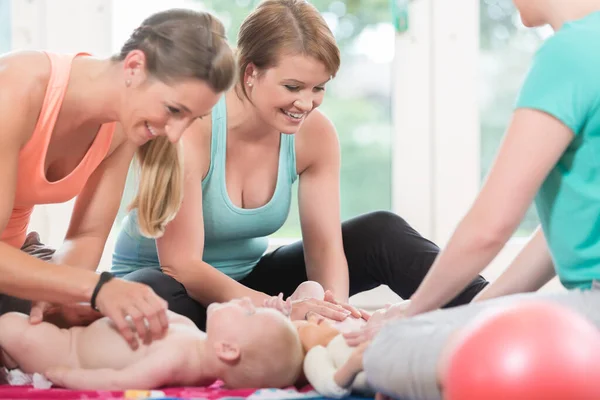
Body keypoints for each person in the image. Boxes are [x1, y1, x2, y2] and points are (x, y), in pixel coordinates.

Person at [111, 0, 489, 330]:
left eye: (318, 88)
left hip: (250, 284)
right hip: (171, 286)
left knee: (381, 231)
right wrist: (286, 309)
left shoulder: (315, 135)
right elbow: (183, 267)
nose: (306, 103)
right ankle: (259, 334)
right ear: (251, 73)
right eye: (293, 87)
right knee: (157, 296)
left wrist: (331, 313)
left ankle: (494, 310)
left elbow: (325, 249)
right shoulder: (194, 128)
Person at [341, 0, 600, 398]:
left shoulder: (568, 54)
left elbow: (489, 228)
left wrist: (411, 316)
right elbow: (562, 235)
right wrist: (468, 313)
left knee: (386, 350)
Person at [0, 8, 236, 348]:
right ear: (134, 67)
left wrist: (57, 299)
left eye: (191, 119)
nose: (175, 135)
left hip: (17, 261)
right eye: (174, 110)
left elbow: (86, 234)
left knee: (158, 301)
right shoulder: (16, 90)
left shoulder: (122, 126)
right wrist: (91, 289)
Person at [0, 298, 303, 390]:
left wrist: (65, 375)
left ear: (227, 349)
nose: (245, 302)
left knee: (10, 324)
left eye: (248, 313)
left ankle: (10, 358)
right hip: (78, 329)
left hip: (66, 350)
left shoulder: (176, 361)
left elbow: (120, 381)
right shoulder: (193, 335)